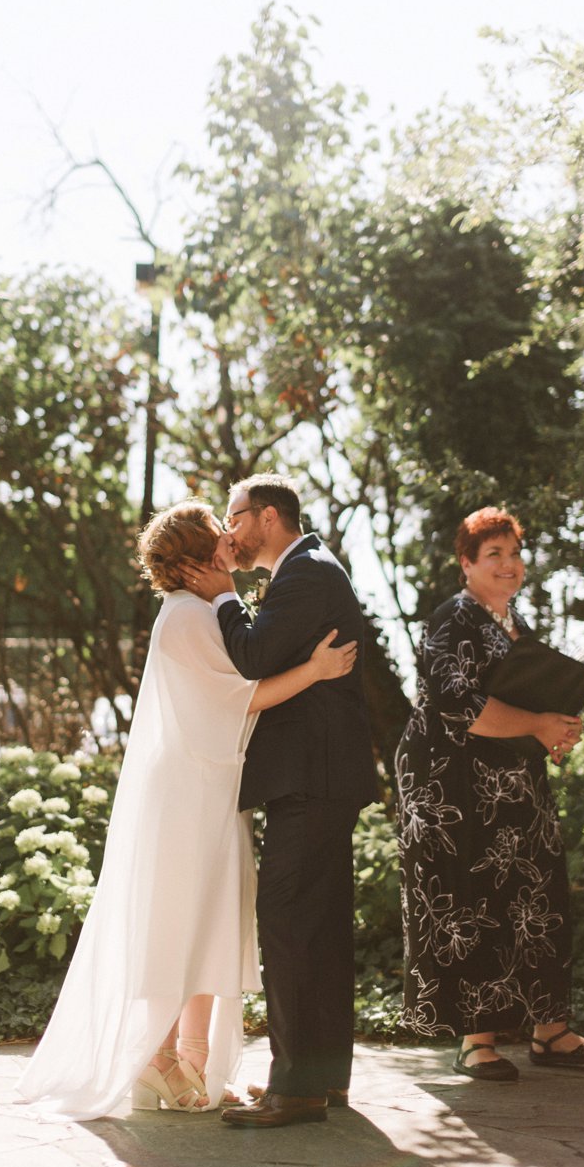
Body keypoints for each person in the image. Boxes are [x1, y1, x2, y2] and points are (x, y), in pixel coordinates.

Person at [18, 502, 356, 1118]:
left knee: (208, 922)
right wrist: (315, 670)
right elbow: (239, 699)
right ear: (198, 556)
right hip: (191, 793)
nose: (231, 536)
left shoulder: (201, 613)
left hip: (211, 789)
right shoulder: (187, 618)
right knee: (181, 919)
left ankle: (189, 1061)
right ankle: (161, 1058)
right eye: (218, 531)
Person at [180, 474, 378, 1129]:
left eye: (233, 518)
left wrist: (222, 594)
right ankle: (321, 1080)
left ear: (265, 516)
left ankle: (295, 1086)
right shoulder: (307, 571)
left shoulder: (305, 573)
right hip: (321, 773)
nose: (228, 534)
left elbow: (254, 655)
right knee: (316, 926)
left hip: (310, 775)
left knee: (289, 919)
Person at [395, 507, 584, 1079]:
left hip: (514, 786)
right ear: (466, 563)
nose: (509, 564)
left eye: (514, 553)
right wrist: (539, 724)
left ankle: (550, 1031)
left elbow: (530, 703)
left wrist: (558, 727)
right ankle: (476, 1042)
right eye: (495, 554)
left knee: (538, 895)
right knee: (473, 904)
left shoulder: (515, 625)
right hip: (454, 788)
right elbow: (457, 704)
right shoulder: (452, 618)